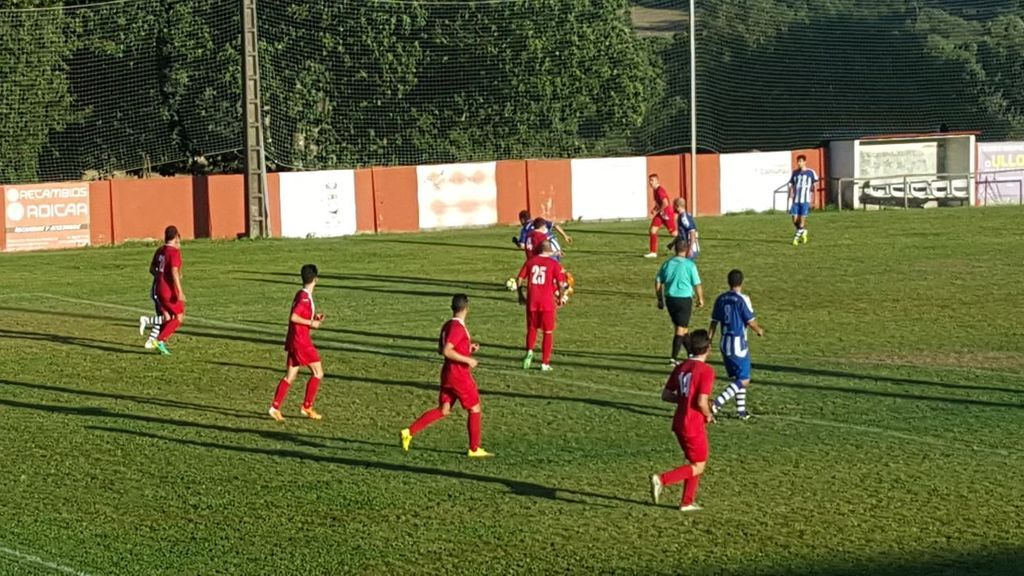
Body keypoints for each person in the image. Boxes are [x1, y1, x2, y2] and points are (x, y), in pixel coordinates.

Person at [401, 294, 493, 458]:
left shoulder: (447, 325)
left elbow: (441, 348)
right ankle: (474, 448)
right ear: (466, 308)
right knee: (475, 408)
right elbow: (446, 351)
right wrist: (468, 359)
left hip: (447, 373)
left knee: (444, 410)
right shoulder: (458, 328)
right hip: (459, 375)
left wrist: (468, 347)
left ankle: (409, 432)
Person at [649, 330, 716, 512]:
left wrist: (684, 400)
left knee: (693, 462)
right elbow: (702, 402)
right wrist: (708, 414)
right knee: (699, 465)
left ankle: (687, 502)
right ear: (708, 348)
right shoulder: (706, 371)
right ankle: (662, 479)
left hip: (679, 421)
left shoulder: (681, 367)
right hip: (693, 423)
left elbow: (666, 395)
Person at [269, 264, 326, 422]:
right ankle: (307, 406)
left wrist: (314, 318)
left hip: (295, 340)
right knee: (318, 372)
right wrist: (311, 323)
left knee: (290, 376)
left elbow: (298, 316)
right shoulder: (305, 297)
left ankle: (275, 408)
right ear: (316, 279)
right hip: (301, 341)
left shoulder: (300, 294)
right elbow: (294, 317)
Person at [708, 269, 765, 420]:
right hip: (737, 343)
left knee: (739, 378)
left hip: (724, 342)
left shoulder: (720, 299)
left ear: (728, 282)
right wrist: (759, 330)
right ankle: (717, 403)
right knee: (744, 379)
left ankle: (741, 411)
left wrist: (709, 339)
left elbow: (714, 322)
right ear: (742, 282)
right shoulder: (741, 299)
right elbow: (749, 320)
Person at [517, 240, 568, 371]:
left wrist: (520, 295)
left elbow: (519, 279)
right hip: (547, 303)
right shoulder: (554, 264)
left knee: (532, 328)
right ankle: (544, 363)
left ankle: (529, 351)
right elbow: (561, 284)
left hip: (532, 301)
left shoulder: (530, 262)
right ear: (549, 251)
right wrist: (561, 297)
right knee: (548, 332)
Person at [655, 240, 705, 364]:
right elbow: (697, 284)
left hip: (670, 299)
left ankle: (691, 354)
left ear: (675, 250)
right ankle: (673, 358)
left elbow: (658, 282)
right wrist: (700, 298)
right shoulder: (690, 265)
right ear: (687, 250)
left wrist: (660, 299)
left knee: (684, 328)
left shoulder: (667, 264)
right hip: (684, 300)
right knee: (680, 329)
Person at [142, 225, 186, 355]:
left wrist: (160, 276)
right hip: (168, 290)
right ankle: (160, 340)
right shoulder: (174, 252)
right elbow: (174, 271)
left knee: (167, 317)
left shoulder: (160, 250)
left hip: (158, 288)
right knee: (179, 317)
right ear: (177, 236)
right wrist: (180, 291)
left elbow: (151, 269)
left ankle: (158, 343)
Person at [788, 155, 818, 246]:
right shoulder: (795, 173)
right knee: (794, 220)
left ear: (805, 162)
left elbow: (815, 186)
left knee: (802, 221)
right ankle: (803, 232)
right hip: (796, 200)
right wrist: (790, 194)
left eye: (801, 161)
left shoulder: (811, 172)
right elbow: (792, 184)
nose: (799, 163)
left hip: (805, 200)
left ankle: (796, 238)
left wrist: (815, 199)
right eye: (798, 161)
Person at [645, 174, 677, 258]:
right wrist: (654, 209)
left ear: (657, 181)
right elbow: (659, 204)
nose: (650, 182)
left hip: (667, 214)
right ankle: (653, 252)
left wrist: (659, 210)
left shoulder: (660, 190)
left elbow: (665, 203)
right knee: (652, 230)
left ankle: (689, 242)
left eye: (652, 180)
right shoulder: (655, 190)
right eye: (650, 180)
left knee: (674, 233)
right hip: (661, 214)